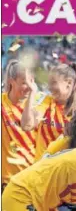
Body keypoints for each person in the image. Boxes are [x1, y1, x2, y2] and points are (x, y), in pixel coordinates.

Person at [21, 63, 76, 160]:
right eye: (49, 83)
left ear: (68, 83)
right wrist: (32, 92)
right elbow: (27, 125)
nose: (49, 87)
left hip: (65, 170)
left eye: (53, 83)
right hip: (42, 170)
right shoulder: (45, 101)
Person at [1, 60, 38, 192]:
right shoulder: (2, 103)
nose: (29, 86)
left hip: (31, 180)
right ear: (11, 82)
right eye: (24, 83)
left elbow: (27, 125)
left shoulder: (38, 105)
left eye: (32, 81)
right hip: (7, 182)